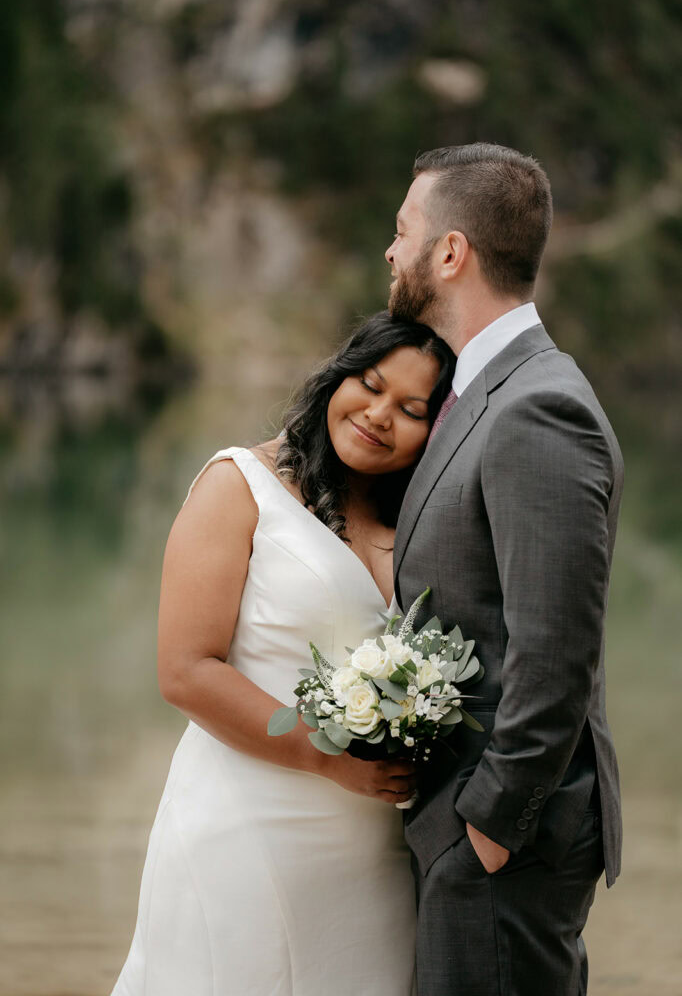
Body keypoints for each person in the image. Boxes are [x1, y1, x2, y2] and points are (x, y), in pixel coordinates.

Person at [110, 311, 456, 996]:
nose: (379, 415)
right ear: (339, 374)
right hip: (248, 826)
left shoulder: (418, 522)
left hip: (374, 849)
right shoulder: (239, 483)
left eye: (411, 409)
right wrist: (325, 758)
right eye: (370, 383)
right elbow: (185, 671)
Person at [387, 142, 623, 996]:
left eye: (404, 228)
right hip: (468, 830)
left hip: (501, 842)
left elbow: (556, 649)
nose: (390, 248)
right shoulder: (480, 392)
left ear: (451, 253)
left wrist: (487, 826)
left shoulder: (539, 407)